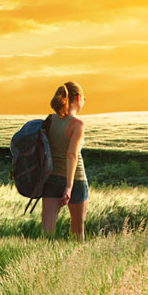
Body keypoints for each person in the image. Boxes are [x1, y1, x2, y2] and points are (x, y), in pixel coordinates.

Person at [41, 80, 88, 241]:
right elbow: (72, 155)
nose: (84, 102)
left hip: (51, 179)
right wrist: (69, 186)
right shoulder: (77, 124)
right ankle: (76, 265)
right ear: (77, 97)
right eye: (84, 99)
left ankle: (37, 265)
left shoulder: (49, 120)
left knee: (45, 232)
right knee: (77, 232)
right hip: (76, 180)